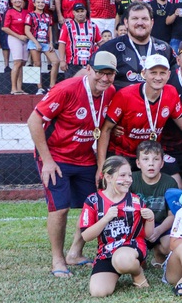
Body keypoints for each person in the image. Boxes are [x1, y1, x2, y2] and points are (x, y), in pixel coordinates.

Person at [28, 51, 117, 277]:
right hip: (56, 156)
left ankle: (75, 252)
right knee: (60, 209)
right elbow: (34, 120)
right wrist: (47, 160)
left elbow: (102, 131)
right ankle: (58, 260)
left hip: (85, 156)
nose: (105, 79)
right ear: (88, 69)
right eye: (100, 72)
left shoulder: (110, 92)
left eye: (110, 74)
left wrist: (101, 166)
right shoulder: (66, 88)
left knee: (95, 204)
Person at [79, 156, 155, 297]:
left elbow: (149, 235)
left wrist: (151, 218)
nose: (128, 179)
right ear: (108, 177)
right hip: (107, 252)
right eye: (123, 175)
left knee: (122, 259)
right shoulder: (93, 201)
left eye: (130, 175)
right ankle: (118, 270)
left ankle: (137, 273)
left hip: (131, 248)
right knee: (98, 292)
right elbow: (86, 236)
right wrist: (106, 218)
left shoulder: (135, 200)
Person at [129, 141, 178, 265]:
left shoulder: (170, 182)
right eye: (145, 159)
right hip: (137, 226)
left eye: (156, 159)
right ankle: (141, 252)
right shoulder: (130, 180)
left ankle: (158, 251)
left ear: (162, 163)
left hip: (161, 224)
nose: (151, 163)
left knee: (170, 246)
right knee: (137, 261)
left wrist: (159, 230)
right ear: (138, 163)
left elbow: (173, 215)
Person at [26, 0, 59, 93]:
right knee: (37, 64)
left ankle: (52, 85)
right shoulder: (30, 15)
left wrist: (51, 43)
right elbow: (27, 31)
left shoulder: (48, 16)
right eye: (38, 2)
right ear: (34, 3)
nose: (41, 4)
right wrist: (36, 43)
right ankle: (39, 87)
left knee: (56, 61)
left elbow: (50, 30)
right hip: (34, 42)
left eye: (42, 2)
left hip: (45, 42)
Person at [2, 0, 29, 93]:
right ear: (11, 1)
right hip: (15, 38)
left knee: (22, 63)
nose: (17, 0)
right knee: (17, 62)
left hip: (25, 39)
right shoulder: (9, 12)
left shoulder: (26, 12)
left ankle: (19, 88)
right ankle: (13, 88)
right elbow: (5, 28)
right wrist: (18, 36)